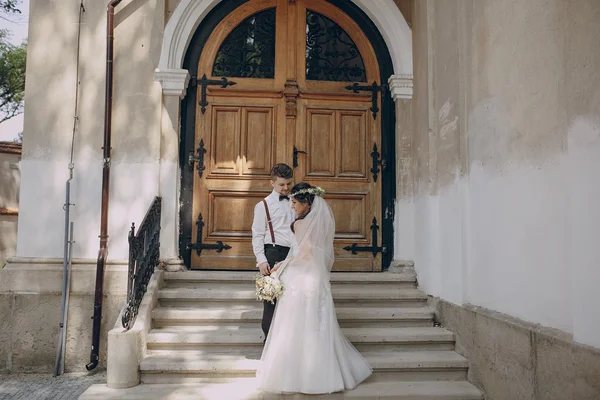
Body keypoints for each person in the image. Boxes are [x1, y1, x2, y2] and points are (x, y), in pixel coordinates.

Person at [256, 182, 372, 394]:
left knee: (295, 323)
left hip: (300, 278)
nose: (292, 206)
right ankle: (322, 372)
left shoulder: (301, 224)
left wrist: (283, 266)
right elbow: (309, 252)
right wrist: (285, 262)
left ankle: (294, 373)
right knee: (315, 324)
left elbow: (304, 253)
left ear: (306, 203)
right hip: (315, 277)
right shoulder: (319, 222)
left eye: (294, 202)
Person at [251, 163, 295, 341]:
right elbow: (257, 235)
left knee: (292, 300)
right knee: (271, 301)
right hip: (272, 254)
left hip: (294, 255)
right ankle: (269, 344)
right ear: (272, 183)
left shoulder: (296, 201)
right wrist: (261, 260)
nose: (285, 188)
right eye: (281, 185)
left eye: (288, 184)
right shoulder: (263, 206)